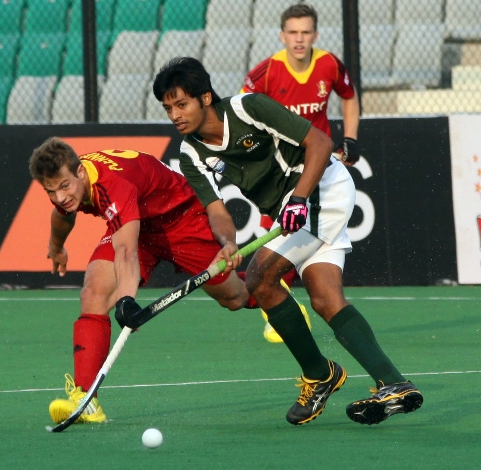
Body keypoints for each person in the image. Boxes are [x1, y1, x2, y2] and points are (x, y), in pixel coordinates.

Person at [144, 56, 423, 425]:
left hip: (323, 187)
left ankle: (318, 374)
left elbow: (321, 144)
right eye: (168, 108)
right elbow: (216, 209)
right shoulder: (190, 152)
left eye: (182, 104)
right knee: (325, 299)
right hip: (291, 214)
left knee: (260, 277)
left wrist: (299, 198)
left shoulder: (249, 107)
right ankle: (393, 382)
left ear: (206, 98)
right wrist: (228, 244)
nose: (175, 115)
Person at [29, 138, 252, 425]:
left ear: (81, 173)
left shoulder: (111, 186)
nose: (60, 197)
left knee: (234, 298)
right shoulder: (69, 181)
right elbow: (62, 216)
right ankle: (85, 400)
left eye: (64, 187)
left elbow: (125, 252)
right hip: (137, 226)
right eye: (51, 191)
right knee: (94, 294)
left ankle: (266, 284)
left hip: (180, 219)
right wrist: (56, 247)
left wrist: (125, 301)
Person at [240, 3, 361, 343]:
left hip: (319, 171)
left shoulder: (328, 64)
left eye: (305, 32)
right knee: (276, 237)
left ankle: (302, 304)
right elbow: (242, 113)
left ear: (315, 35)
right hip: (280, 172)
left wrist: (350, 138)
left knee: (302, 236)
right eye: (293, 32)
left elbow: (349, 97)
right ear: (282, 36)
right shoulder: (266, 72)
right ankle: (276, 309)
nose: (299, 39)